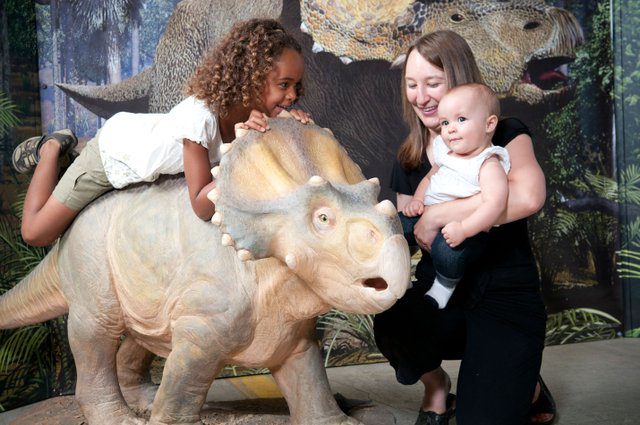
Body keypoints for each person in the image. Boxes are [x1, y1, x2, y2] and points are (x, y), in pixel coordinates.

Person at [373, 30, 556, 425]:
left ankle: (529, 386)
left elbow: (527, 197)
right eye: (411, 84)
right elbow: (409, 231)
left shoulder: (503, 133)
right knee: (393, 318)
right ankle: (437, 389)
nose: (420, 96)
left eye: (432, 83)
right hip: (443, 292)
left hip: (504, 297)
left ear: (457, 79)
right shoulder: (409, 159)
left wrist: (440, 215)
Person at [11, 18, 311, 247]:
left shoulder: (254, 115)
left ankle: (70, 155)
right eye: (283, 84)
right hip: (114, 154)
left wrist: (290, 127)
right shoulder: (200, 119)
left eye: (296, 86)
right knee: (36, 232)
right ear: (251, 78)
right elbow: (201, 205)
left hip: (145, 135)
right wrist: (242, 150)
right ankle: (52, 147)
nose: (291, 95)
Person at [403, 83, 509, 309]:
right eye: (445, 122)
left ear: (489, 124)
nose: (450, 129)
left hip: (465, 228)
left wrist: (465, 229)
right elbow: (430, 178)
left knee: (447, 253)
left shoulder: (488, 162)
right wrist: (417, 200)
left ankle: (444, 285)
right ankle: (400, 273)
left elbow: (495, 203)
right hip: (427, 212)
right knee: (395, 225)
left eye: (461, 120)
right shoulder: (446, 152)